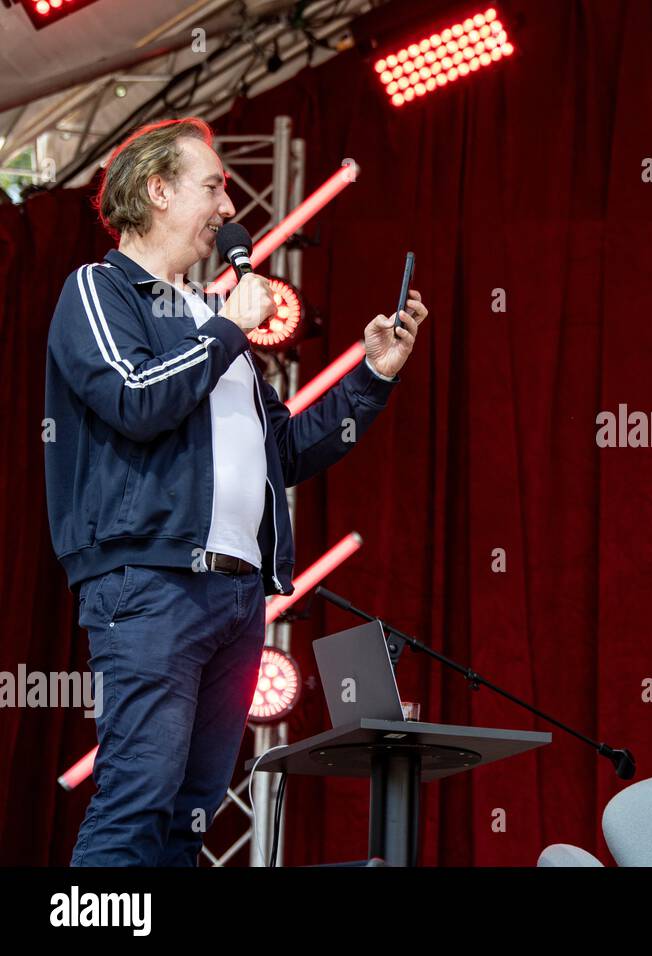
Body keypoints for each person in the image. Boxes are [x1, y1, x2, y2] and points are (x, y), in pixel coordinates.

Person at [43, 116, 428, 865]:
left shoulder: (203, 317)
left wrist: (373, 376)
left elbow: (280, 450)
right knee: (137, 797)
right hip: (150, 582)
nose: (228, 209)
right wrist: (225, 332)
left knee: (192, 814)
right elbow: (133, 398)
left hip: (236, 596)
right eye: (213, 187)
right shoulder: (99, 288)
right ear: (156, 190)